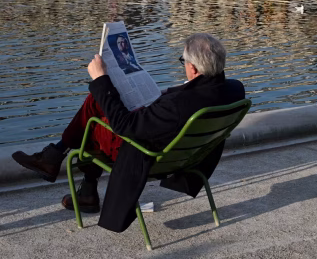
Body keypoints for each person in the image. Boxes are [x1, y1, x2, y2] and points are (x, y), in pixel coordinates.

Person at [11, 34, 245, 233]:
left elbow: (125, 126)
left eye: (183, 61)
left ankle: (56, 159)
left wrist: (101, 79)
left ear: (192, 68)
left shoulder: (177, 106)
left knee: (94, 114)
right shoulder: (234, 90)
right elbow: (187, 95)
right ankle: (80, 184)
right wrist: (164, 92)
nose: (183, 65)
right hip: (183, 155)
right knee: (99, 109)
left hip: (146, 156)